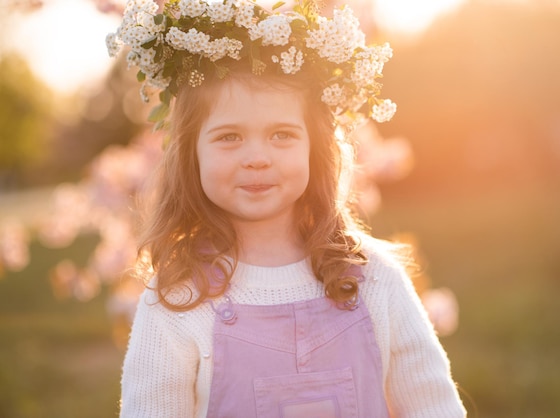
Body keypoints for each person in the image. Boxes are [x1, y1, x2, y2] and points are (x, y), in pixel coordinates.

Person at [107, 0, 467, 417]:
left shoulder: (376, 280)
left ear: (316, 150)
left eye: (281, 134)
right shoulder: (176, 299)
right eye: (229, 137)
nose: (257, 157)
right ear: (191, 155)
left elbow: (434, 408)